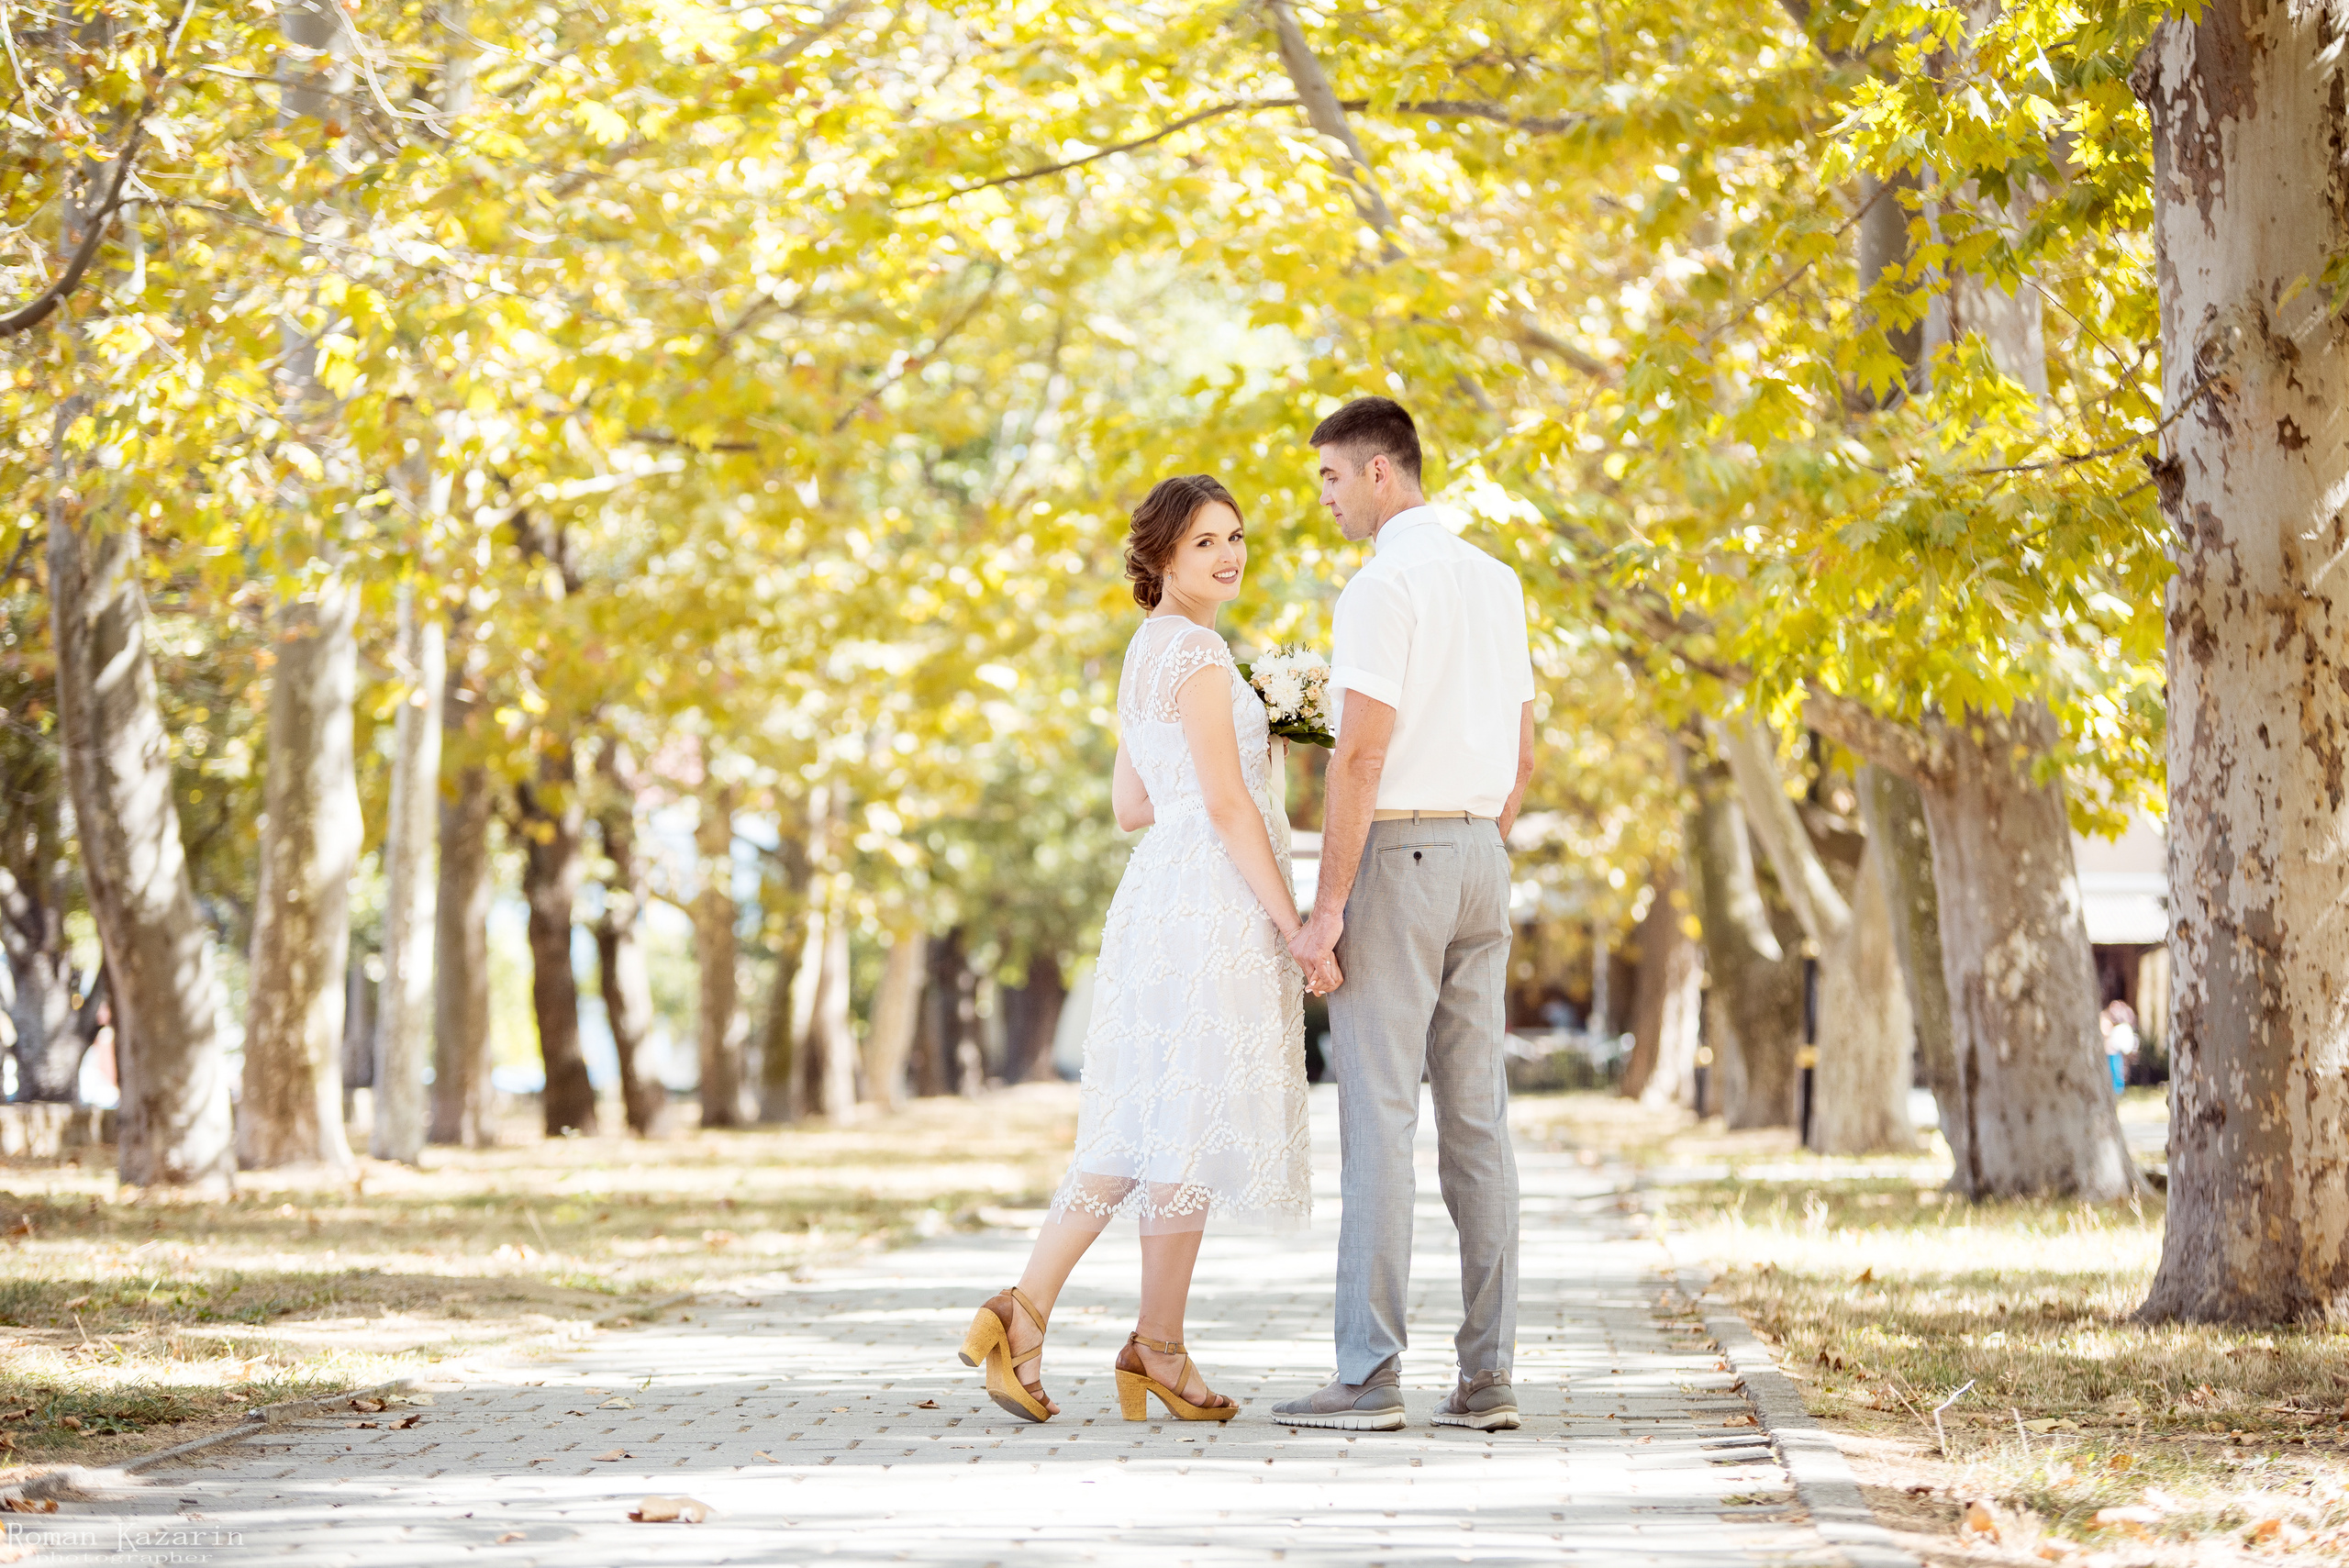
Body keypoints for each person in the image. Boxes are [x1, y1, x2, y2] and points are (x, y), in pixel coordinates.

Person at [956, 474, 1320, 1426]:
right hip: (1208, 904)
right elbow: (1231, 808)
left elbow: (1132, 805)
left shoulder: (1145, 652)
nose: (1230, 555)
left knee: (1159, 1124)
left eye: (1237, 536)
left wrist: (1246, 758)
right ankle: (1063, 1316)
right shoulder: (1198, 655)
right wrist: (1294, 923)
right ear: (1160, 555)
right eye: (1206, 542)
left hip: (1161, 891)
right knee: (1175, 1123)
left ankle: (1098, 1326)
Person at [1275, 396, 1537, 1435]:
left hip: (1402, 851)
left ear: (1381, 473)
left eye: (1332, 479)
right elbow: (1522, 754)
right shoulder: (1497, 580)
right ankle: (1488, 1375)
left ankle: (1369, 1371)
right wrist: (1482, 839)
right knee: (1477, 1119)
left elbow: (1361, 753)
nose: (1328, 499)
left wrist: (1326, 906)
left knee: (1377, 1113)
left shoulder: (1381, 584)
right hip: (1481, 853)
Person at [2101, 998, 2139, 1096]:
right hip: (2109, 1052)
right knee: (2112, 1072)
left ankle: (2117, 1091)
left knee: (2118, 1072)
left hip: (2115, 1052)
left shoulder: (2120, 1025)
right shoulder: (2105, 1019)